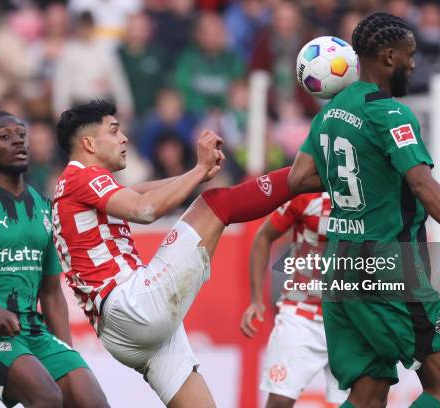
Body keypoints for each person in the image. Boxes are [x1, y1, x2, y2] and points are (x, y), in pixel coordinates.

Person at [287, 12, 440, 408]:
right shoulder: (390, 113)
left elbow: (298, 178)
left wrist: (359, 170)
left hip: (339, 264)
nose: (413, 64)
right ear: (389, 57)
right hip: (387, 267)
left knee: (368, 394)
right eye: (410, 56)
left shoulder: (330, 113)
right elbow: (422, 185)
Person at [52, 100, 321, 407]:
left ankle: (309, 177)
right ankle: (310, 176)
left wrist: (197, 172)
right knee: (215, 205)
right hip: (132, 304)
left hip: (120, 332)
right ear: (88, 142)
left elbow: (142, 193)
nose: (124, 138)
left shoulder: (75, 185)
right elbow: (145, 209)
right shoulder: (82, 177)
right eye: (114, 131)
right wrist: (201, 171)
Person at [0, 111, 109, 408]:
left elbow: (51, 292)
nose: (18, 141)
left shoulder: (43, 206)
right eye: (5, 136)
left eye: (21, 135)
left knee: (90, 400)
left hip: (32, 330)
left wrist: (65, 351)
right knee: (46, 397)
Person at [240, 192, 349, 407]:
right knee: (280, 399)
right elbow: (264, 236)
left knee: (357, 402)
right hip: (302, 313)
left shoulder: (371, 190)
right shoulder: (308, 193)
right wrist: (256, 299)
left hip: (352, 317)